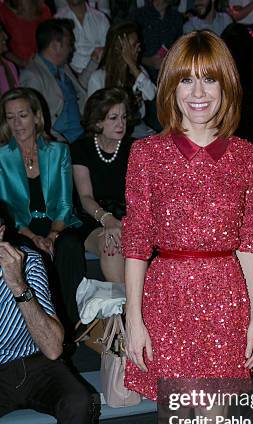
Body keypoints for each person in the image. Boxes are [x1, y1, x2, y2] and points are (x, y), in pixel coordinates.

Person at [122, 31, 253, 424]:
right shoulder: (148, 154)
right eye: (185, 78)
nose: (197, 91)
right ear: (171, 86)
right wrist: (134, 317)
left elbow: (252, 241)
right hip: (167, 294)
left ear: (226, 84)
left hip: (225, 293)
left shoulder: (250, 156)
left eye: (208, 77)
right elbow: (135, 242)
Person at [0, 201, 97, 424]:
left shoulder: (28, 261)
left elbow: (55, 348)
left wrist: (17, 283)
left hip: (36, 362)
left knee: (78, 400)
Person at [0, 87, 85, 334]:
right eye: (10, 117)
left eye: (23, 115)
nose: (17, 123)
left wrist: (51, 235)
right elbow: (8, 209)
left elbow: (65, 204)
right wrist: (33, 237)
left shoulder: (58, 151)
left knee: (68, 246)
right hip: (20, 227)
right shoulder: (2, 157)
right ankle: (36, 327)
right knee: (28, 251)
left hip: (57, 224)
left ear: (37, 117)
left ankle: (68, 325)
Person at [72, 88, 134, 284]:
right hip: (93, 217)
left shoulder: (134, 147)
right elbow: (85, 197)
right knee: (111, 244)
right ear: (98, 121)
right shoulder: (82, 148)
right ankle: (124, 307)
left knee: (127, 241)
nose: (121, 124)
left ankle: (127, 308)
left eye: (123, 117)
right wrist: (108, 220)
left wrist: (125, 223)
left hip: (129, 217)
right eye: (113, 118)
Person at [20, 19, 87, 143]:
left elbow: (80, 91)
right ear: (55, 45)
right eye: (69, 44)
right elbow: (32, 121)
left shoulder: (63, 67)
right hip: (60, 143)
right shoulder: (32, 75)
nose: (72, 49)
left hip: (81, 135)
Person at [87, 22, 156, 138]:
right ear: (120, 48)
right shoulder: (98, 77)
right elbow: (94, 118)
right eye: (134, 45)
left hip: (138, 127)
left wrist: (132, 65)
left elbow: (151, 94)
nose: (139, 49)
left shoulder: (138, 72)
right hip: (111, 131)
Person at [129, 0, 183, 82]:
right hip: (143, 80)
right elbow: (127, 53)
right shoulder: (138, 16)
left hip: (169, 79)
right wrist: (149, 61)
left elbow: (180, 50)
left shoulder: (177, 17)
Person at [56, 0, 109, 75]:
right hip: (71, 77)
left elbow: (109, 51)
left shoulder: (101, 18)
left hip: (98, 73)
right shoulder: (58, 20)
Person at [0, 0, 51, 69]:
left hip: (46, 64)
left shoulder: (43, 9)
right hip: (20, 69)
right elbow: (2, 49)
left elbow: (51, 41)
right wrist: (22, 63)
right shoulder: (3, 11)